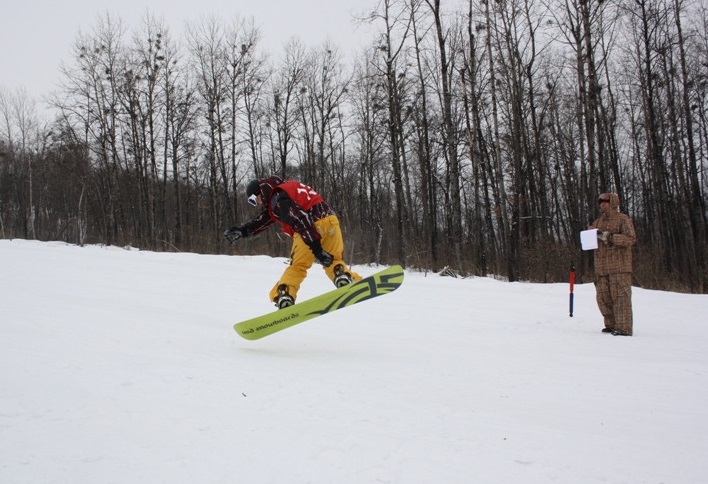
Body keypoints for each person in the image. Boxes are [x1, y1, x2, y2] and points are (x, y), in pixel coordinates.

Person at [224, 176, 361, 308]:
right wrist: (242, 231)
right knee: (333, 259)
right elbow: (265, 219)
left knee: (298, 266)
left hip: (311, 226)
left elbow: (301, 219)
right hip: (330, 221)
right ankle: (342, 276)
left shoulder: (277, 199)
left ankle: (284, 294)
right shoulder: (283, 190)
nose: (257, 204)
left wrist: (316, 249)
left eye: (254, 200)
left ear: (259, 192)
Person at [588, 192, 637, 336]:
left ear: (613, 202)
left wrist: (609, 237)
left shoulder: (623, 219)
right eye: (600, 202)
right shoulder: (597, 222)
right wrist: (590, 234)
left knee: (621, 298)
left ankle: (623, 328)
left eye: (606, 202)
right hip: (602, 268)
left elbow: (630, 239)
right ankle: (610, 325)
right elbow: (591, 244)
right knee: (603, 298)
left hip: (619, 267)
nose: (602, 205)